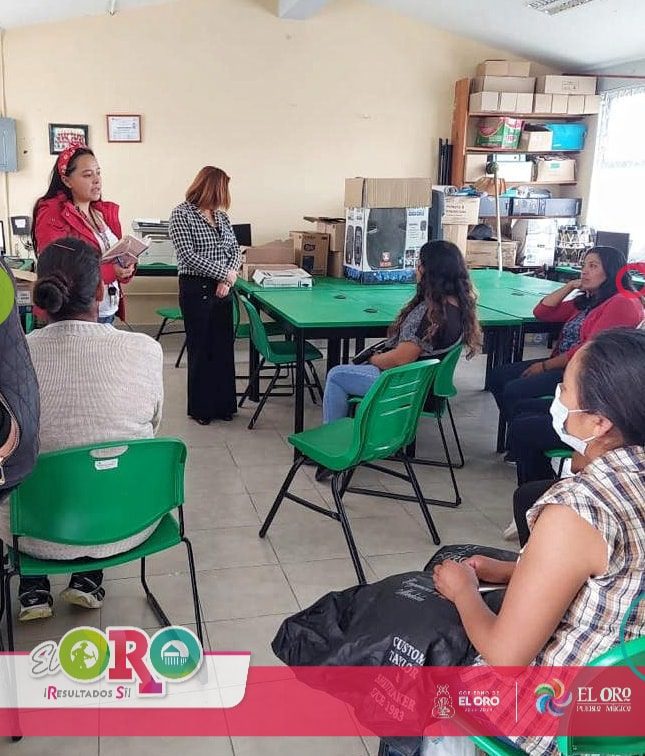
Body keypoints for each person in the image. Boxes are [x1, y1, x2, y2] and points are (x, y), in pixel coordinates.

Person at [431, 328, 645, 756]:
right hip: (630, 706)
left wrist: (464, 591)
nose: (557, 396)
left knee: (421, 664)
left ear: (599, 422)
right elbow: (620, 577)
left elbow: (506, 659)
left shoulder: (579, 510)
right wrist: (516, 571)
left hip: (566, 717)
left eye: (564, 387)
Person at [0, 239, 164, 621]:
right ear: (98, 291)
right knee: (104, 456)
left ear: (41, 292)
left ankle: (33, 583)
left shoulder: (14, 359)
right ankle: (88, 578)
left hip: (33, 531)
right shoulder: (145, 350)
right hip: (128, 521)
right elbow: (152, 426)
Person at [318, 240, 481, 481]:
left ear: (430, 270)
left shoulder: (432, 314)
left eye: (419, 265)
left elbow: (402, 358)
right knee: (349, 371)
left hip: (402, 385)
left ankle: (332, 448)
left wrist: (374, 359)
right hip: (425, 385)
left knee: (337, 376)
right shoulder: (459, 306)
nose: (416, 269)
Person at [489, 246, 642, 433]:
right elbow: (542, 312)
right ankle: (519, 436)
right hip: (564, 364)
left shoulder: (621, 302)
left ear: (611, 271)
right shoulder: (591, 299)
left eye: (593, 266)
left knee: (515, 390)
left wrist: (545, 366)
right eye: (584, 265)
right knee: (498, 376)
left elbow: (589, 351)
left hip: (583, 373)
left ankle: (530, 434)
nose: (584, 271)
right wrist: (569, 286)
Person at [168, 166, 241, 425]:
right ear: (211, 187)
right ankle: (202, 409)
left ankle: (224, 406)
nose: (225, 195)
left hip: (223, 288)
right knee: (201, 349)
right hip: (196, 288)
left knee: (222, 349)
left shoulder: (221, 217)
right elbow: (188, 255)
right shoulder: (181, 214)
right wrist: (223, 274)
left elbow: (235, 249)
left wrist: (228, 278)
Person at [32, 144, 135, 324]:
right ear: (66, 180)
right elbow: (58, 267)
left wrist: (126, 266)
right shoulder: (52, 213)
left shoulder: (102, 213)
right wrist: (111, 271)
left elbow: (112, 256)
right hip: (74, 314)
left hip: (105, 309)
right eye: (88, 175)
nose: (97, 180)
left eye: (98, 172)